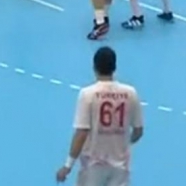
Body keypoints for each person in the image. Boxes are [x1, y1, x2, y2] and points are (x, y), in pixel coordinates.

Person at [55, 46, 144, 185]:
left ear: (94, 67)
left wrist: (68, 166)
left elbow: (81, 133)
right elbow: (138, 131)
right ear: (114, 67)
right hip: (120, 167)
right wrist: (124, 143)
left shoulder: (87, 94)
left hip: (93, 166)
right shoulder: (130, 93)